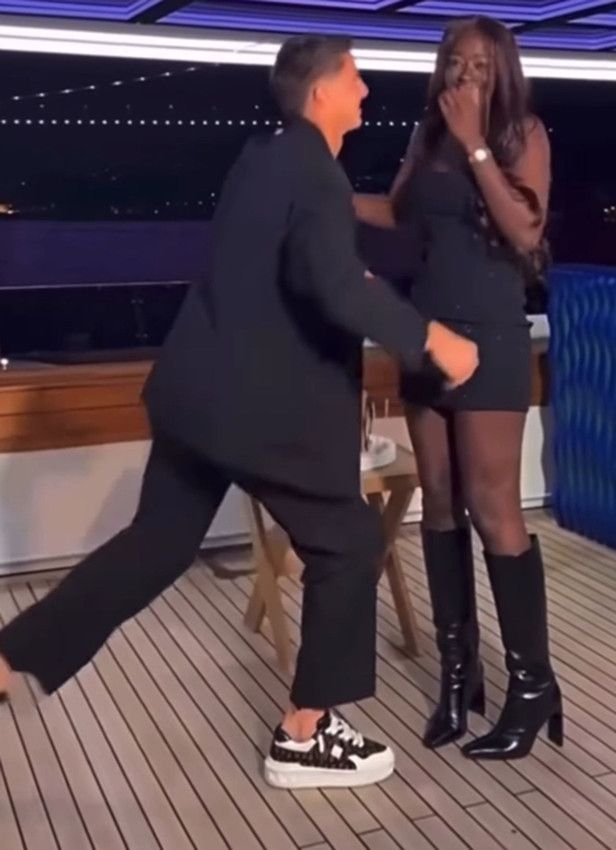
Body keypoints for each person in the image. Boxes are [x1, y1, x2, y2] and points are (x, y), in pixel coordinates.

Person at [0, 35, 478, 788]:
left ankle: (7, 657)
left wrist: (354, 279)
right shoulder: (314, 173)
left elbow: (296, 269)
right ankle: (304, 733)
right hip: (248, 410)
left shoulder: (262, 157)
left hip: (192, 398)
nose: (364, 90)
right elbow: (332, 286)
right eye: (355, 77)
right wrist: (430, 339)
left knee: (157, 545)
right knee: (349, 539)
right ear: (321, 91)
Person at [354, 16, 563, 760]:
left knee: (492, 507)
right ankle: (458, 675)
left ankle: (532, 687)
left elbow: (525, 232)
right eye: (455, 63)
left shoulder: (522, 134)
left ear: (502, 71)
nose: (465, 75)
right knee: (439, 501)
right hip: (426, 332)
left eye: (480, 64)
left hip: (492, 336)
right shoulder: (426, 134)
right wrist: (326, 195)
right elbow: (397, 212)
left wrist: (476, 142)